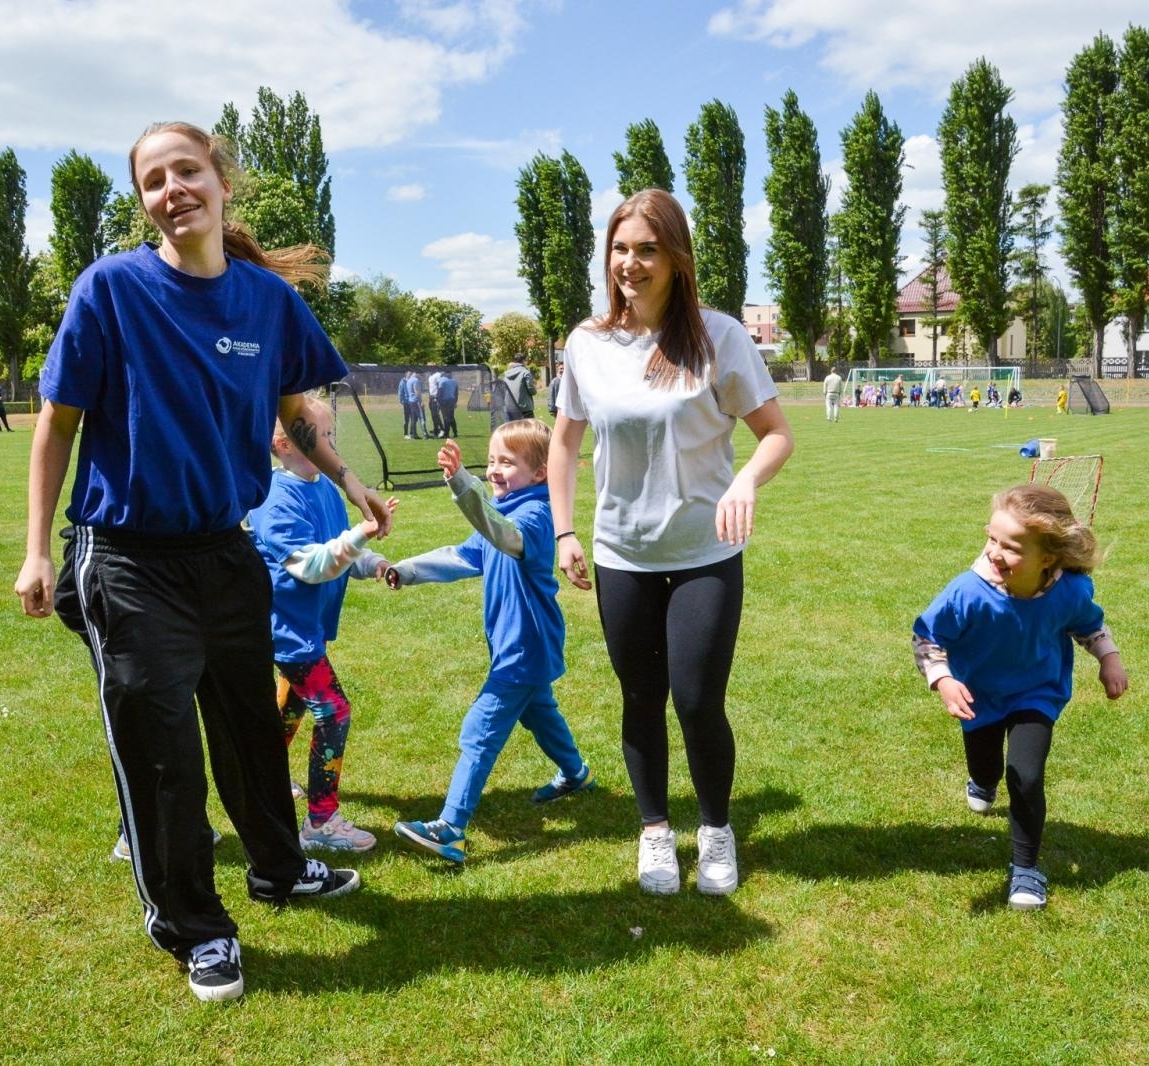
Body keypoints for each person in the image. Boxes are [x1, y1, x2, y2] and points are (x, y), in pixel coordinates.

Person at [14, 120, 390, 1003]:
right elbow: (57, 423)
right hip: (128, 557)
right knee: (164, 753)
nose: (172, 189)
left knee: (252, 731)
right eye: (153, 180)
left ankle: (280, 869)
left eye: (187, 171)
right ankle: (193, 926)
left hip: (227, 550)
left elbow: (296, 407)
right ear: (144, 199)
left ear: (221, 184)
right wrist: (37, 551)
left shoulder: (265, 301)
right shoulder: (110, 289)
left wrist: (346, 479)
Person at [548, 188, 794, 897]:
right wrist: (565, 529)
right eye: (621, 249)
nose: (632, 263)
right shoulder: (588, 344)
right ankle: (655, 832)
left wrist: (745, 481)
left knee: (695, 700)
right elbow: (563, 445)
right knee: (639, 697)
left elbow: (776, 434)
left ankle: (715, 831)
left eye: (648, 249)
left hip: (703, 556)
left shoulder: (720, 336)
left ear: (677, 257)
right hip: (621, 553)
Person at [913, 483, 1129, 910]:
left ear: (1047, 557)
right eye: (991, 538)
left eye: (1010, 546)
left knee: (1026, 775)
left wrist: (1109, 659)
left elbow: (1089, 626)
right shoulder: (968, 592)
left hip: (1037, 692)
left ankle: (1026, 868)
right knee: (987, 767)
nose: (994, 552)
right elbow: (927, 637)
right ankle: (982, 778)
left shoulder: (1069, 591)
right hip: (981, 696)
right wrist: (943, 680)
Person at [385, 422, 592, 864]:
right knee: (541, 713)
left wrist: (463, 485)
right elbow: (463, 556)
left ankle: (451, 828)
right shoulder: (507, 510)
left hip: (524, 647)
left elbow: (502, 534)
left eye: (508, 463)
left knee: (479, 731)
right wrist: (405, 570)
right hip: (517, 646)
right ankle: (575, 773)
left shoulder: (535, 517)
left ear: (540, 473)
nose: (495, 470)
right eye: (492, 460)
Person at [249, 398, 395, 854]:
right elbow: (312, 565)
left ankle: (257, 782)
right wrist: (360, 536)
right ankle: (321, 821)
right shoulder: (274, 499)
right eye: (322, 437)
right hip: (286, 630)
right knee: (334, 712)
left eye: (333, 436)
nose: (332, 447)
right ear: (283, 444)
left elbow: (340, 553)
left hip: (307, 627)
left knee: (288, 712)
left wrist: (372, 562)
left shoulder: (326, 490)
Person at [499, 355, 536, 420]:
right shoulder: (526, 372)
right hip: (524, 408)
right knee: (528, 428)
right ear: (524, 361)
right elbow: (531, 390)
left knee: (512, 428)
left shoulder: (505, 374)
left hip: (510, 407)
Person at [398, 370, 422, 439]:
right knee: (406, 419)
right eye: (409, 374)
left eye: (411, 374)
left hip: (412, 402)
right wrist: (401, 401)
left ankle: (412, 433)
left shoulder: (412, 381)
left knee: (414, 418)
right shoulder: (403, 382)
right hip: (406, 402)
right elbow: (400, 392)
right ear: (406, 375)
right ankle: (405, 434)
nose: (410, 375)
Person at [438, 367, 460, 436]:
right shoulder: (454, 381)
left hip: (444, 401)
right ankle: (455, 432)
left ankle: (446, 433)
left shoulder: (442, 380)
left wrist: (439, 401)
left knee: (445, 417)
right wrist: (455, 402)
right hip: (452, 400)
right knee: (451, 417)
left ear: (444, 373)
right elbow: (456, 393)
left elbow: (440, 392)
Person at [427, 370, 444, 439]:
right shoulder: (430, 376)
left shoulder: (437, 374)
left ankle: (442, 429)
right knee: (433, 415)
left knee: (436, 414)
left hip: (436, 397)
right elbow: (430, 388)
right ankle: (436, 429)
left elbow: (440, 385)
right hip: (431, 397)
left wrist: (438, 397)